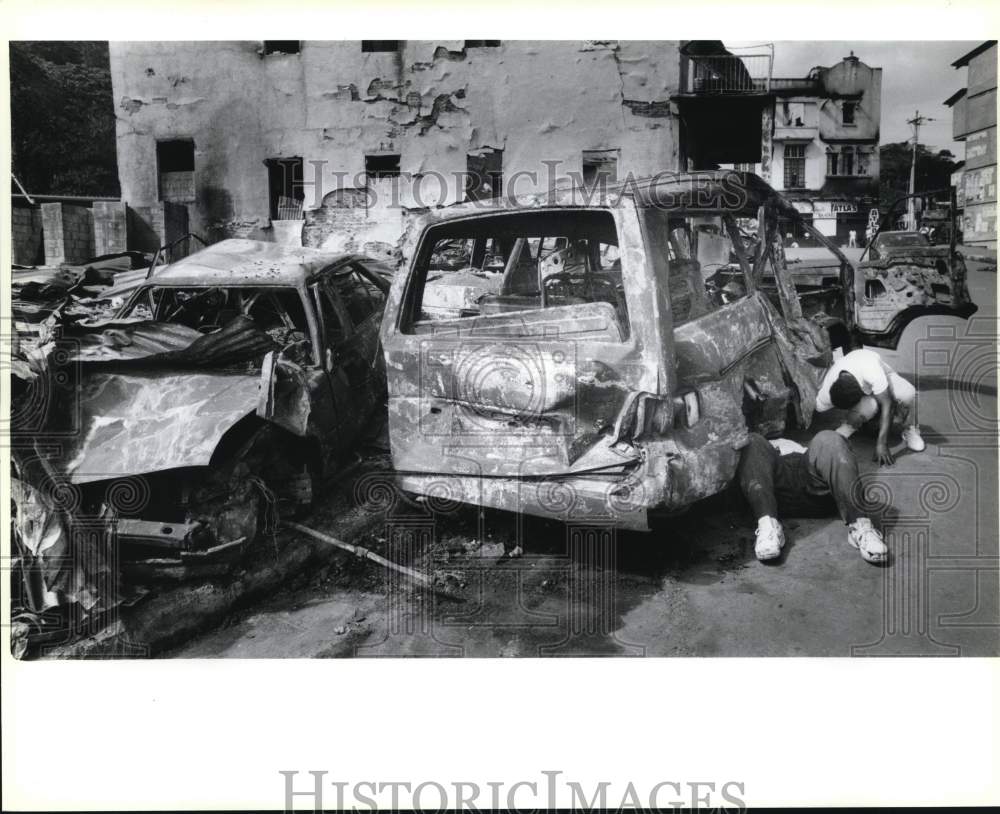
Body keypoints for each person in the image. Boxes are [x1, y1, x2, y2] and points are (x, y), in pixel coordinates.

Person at [737, 432, 887, 564]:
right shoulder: (756, 444)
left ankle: (860, 526)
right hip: (774, 492)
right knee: (752, 440)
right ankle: (768, 525)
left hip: (814, 486)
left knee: (829, 438)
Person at [815, 348, 924, 466]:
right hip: (862, 385)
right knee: (869, 406)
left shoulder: (872, 370)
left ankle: (910, 428)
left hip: (885, 379)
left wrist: (882, 444)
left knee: (908, 393)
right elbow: (815, 406)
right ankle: (849, 426)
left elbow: (888, 404)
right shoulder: (827, 389)